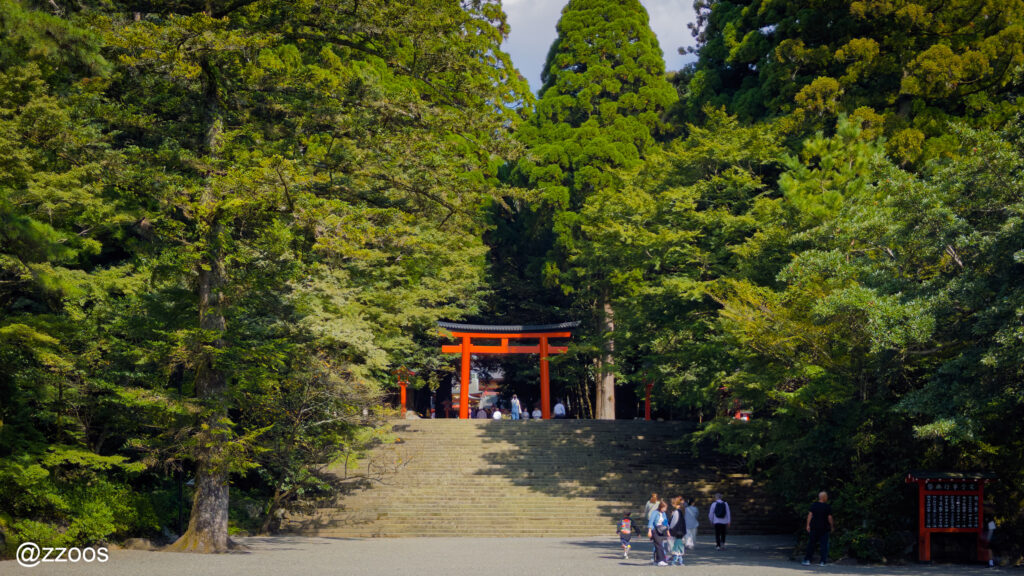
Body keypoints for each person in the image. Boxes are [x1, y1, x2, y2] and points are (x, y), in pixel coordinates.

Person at [802, 491, 834, 566]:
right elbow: (829, 517)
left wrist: (808, 525)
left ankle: (807, 560)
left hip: (814, 527)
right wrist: (832, 526)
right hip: (824, 528)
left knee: (811, 544)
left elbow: (810, 515)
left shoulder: (814, 505)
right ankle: (823, 561)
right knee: (824, 545)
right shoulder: (827, 506)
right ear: (824, 497)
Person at [647, 500, 670, 566]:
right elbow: (651, 522)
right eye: (664, 508)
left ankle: (656, 560)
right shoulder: (655, 513)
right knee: (659, 545)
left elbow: (666, 523)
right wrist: (649, 531)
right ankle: (661, 560)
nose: (665, 509)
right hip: (655, 530)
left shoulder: (664, 514)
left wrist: (668, 531)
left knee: (659, 545)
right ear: (661, 507)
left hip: (661, 531)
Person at [668, 497, 686, 565]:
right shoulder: (681, 511)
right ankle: (680, 560)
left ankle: (675, 559)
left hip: (675, 532)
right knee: (679, 546)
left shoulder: (676, 512)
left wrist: (669, 529)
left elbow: (673, 523)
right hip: (681, 531)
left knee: (674, 546)